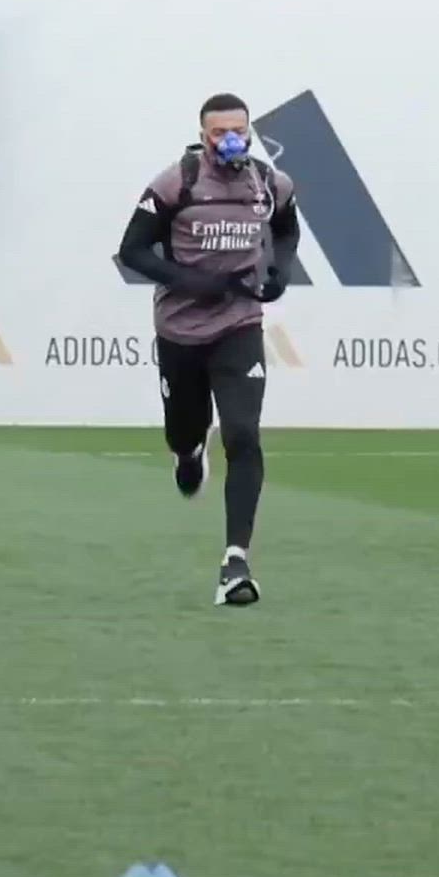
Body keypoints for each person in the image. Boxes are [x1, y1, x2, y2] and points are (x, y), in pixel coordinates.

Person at [115, 93, 300, 606]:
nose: (230, 140)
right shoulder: (176, 183)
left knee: (243, 435)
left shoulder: (268, 182)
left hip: (239, 326)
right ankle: (188, 453)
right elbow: (132, 250)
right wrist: (193, 282)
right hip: (180, 329)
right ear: (203, 135)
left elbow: (286, 228)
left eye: (238, 129)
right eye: (219, 132)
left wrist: (279, 273)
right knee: (185, 429)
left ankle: (235, 563)